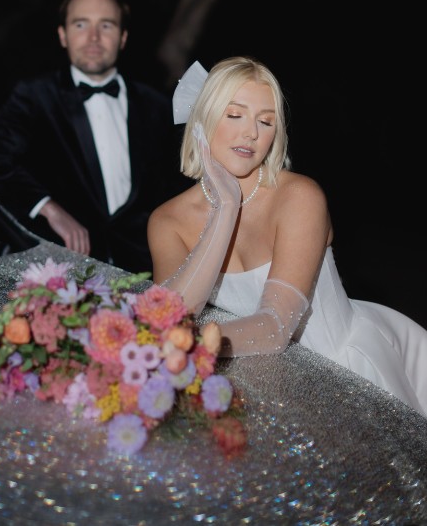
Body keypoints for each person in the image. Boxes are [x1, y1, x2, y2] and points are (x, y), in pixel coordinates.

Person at [149, 56, 427, 419]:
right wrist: (225, 210)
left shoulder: (300, 197)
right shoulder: (167, 221)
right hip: (252, 387)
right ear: (202, 120)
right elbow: (168, 319)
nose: (251, 133)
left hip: (344, 376)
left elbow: (276, 327)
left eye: (266, 121)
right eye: (235, 115)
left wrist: (193, 346)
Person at [0, 0, 183, 273]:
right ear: (63, 35)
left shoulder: (158, 106)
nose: (93, 37)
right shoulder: (35, 96)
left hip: (141, 271)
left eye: (106, 25)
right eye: (81, 24)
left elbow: (178, 187)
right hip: (62, 272)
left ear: (123, 37)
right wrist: (48, 208)